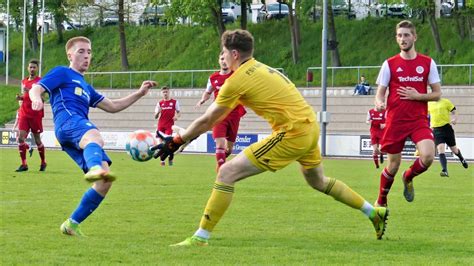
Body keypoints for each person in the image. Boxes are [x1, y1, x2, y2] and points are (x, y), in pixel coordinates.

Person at [152, 29, 388, 247]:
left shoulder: (236, 80)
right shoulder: (263, 68)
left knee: (226, 173)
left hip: (293, 132)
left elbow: (207, 119)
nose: (222, 57)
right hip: (309, 126)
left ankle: (200, 238)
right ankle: (373, 212)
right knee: (318, 181)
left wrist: (177, 141)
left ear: (234, 54)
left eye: (224, 53)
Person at [29, 36, 156, 236]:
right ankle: (94, 167)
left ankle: (71, 224)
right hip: (68, 122)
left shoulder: (86, 86)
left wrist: (140, 93)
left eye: (89, 52)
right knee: (95, 136)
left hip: (73, 132)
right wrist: (36, 98)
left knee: (105, 182)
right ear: (69, 55)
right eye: (81, 51)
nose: (86, 56)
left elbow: (113, 106)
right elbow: (36, 87)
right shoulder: (63, 72)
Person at [373, 20, 442, 207]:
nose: (402, 39)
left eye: (406, 35)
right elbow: (379, 94)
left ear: (414, 37)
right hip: (395, 120)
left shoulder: (427, 63)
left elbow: (437, 94)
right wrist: (379, 103)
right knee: (392, 166)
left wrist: (418, 95)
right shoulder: (389, 64)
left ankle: (408, 176)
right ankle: (381, 202)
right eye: (399, 35)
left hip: (418, 120)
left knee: (428, 156)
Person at [195, 52, 246, 171]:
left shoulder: (237, 75)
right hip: (218, 113)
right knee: (220, 144)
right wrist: (202, 100)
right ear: (219, 60)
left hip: (234, 114)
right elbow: (208, 92)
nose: (224, 61)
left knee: (229, 149)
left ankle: (222, 159)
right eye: (221, 58)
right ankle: (221, 168)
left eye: (226, 59)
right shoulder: (213, 78)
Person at [15, 59, 47, 172]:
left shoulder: (41, 82)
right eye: (30, 67)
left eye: (34, 67)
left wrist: (30, 91)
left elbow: (43, 99)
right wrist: (20, 98)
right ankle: (24, 164)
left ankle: (43, 162)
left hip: (35, 114)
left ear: (37, 69)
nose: (32, 69)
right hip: (24, 113)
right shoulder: (24, 81)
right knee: (20, 138)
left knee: (37, 140)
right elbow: (26, 97)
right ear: (27, 68)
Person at [428, 98, 468, 177]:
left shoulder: (446, 102)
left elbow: (454, 111)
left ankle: (461, 158)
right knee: (440, 150)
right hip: (436, 130)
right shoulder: (429, 103)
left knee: (454, 150)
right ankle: (444, 170)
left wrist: (455, 119)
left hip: (447, 129)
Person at [154, 86, 181, 166]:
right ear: (162, 93)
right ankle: (162, 161)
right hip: (161, 125)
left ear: (169, 92)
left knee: (168, 144)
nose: (165, 93)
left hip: (169, 125)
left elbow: (179, 112)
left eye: (166, 92)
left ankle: (169, 158)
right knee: (160, 143)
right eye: (164, 92)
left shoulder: (175, 102)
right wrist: (158, 112)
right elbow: (155, 116)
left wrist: (176, 117)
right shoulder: (160, 103)